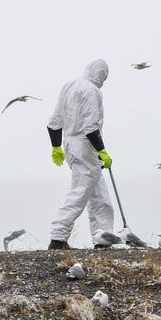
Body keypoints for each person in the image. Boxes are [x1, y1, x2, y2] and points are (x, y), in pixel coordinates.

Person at [45, 59, 115, 250]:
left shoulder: (69, 85)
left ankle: (104, 239)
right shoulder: (92, 91)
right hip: (85, 145)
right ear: (101, 74)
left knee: (100, 195)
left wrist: (56, 146)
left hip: (71, 144)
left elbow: (54, 121)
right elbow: (91, 127)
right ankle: (58, 238)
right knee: (80, 191)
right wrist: (101, 150)